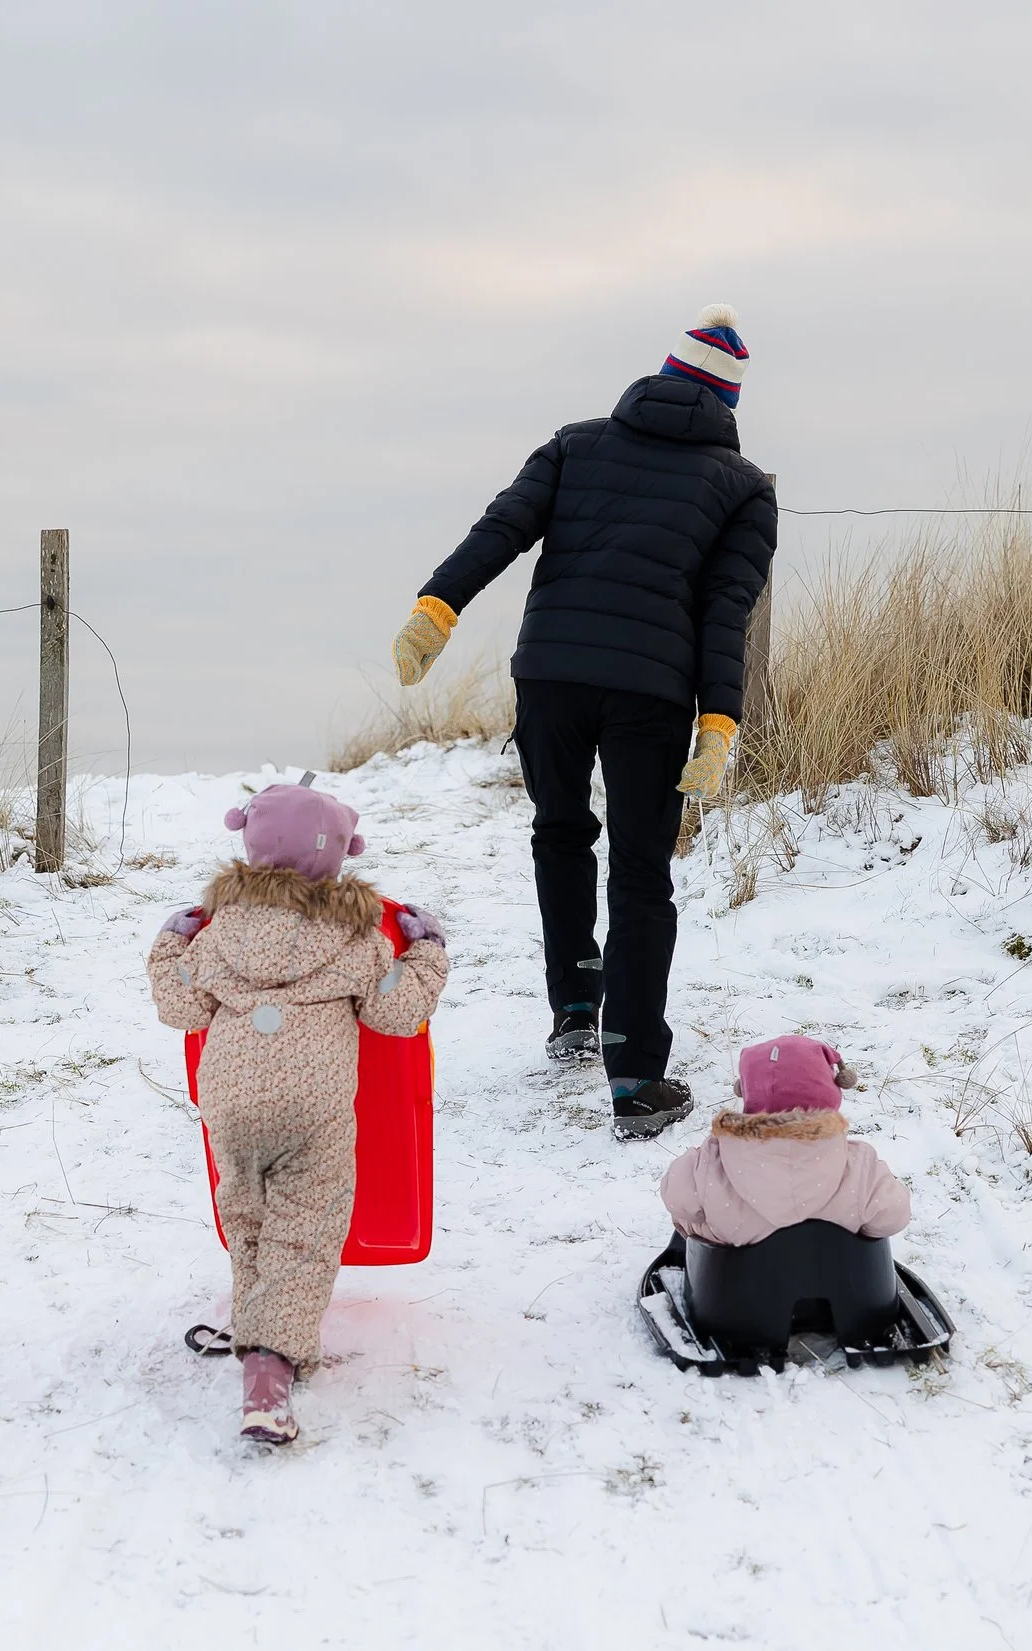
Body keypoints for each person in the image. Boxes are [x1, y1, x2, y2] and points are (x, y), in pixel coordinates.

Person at [390, 304, 775, 1139]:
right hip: (653, 691)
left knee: (560, 830)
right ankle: (635, 1076)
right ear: (729, 407)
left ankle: (573, 1003)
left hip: (552, 674)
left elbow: (503, 529)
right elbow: (725, 610)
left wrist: (438, 607)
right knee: (641, 871)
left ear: (661, 377)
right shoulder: (741, 490)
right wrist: (718, 721)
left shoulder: (574, 441)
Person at [147, 780, 448, 1445]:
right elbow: (396, 1008)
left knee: (249, 1216)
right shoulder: (352, 934)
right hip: (309, 1107)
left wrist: (171, 941)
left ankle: (257, 1323)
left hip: (228, 1102)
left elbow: (182, 1004)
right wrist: (426, 950)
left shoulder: (220, 935)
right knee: (304, 1233)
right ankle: (269, 1372)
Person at [659, 1035, 909, 1246]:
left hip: (735, 1286)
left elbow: (677, 1199)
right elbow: (893, 1215)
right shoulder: (860, 1164)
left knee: (696, 1219)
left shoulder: (712, 1159)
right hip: (835, 1287)